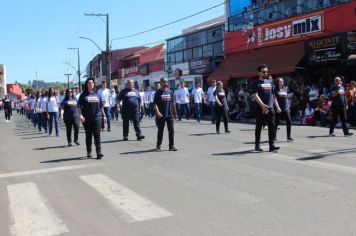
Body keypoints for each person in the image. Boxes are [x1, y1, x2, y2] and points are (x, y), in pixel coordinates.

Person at [252, 64, 281, 152]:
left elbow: (273, 95)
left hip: (270, 107)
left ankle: (271, 145)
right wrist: (262, 105)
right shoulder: (256, 83)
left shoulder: (270, 82)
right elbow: (255, 95)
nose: (265, 73)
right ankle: (257, 145)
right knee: (259, 126)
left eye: (266, 71)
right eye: (263, 72)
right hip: (260, 108)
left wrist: (277, 106)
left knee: (272, 126)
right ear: (259, 73)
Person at [77, 78, 105, 159]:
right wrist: (80, 115)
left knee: (97, 134)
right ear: (87, 84)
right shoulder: (83, 95)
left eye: (92, 82)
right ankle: (89, 151)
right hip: (86, 118)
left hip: (97, 117)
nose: (91, 84)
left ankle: (98, 152)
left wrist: (104, 115)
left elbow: (101, 106)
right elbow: (78, 107)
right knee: (88, 135)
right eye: (89, 83)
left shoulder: (97, 94)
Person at [153, 77, 177, 151]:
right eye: (163, 82)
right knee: (160, 131)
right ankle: (158, 146)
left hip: (169, 115)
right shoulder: (158, 92)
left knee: (171, 130)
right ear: (160, 83)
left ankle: (171, 146)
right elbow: (154, 104)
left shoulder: (171, 92)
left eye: (166, 82)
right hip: (161, 115)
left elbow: (173, 103)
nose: (165, 83)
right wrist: (158, 112)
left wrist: (175, 113)